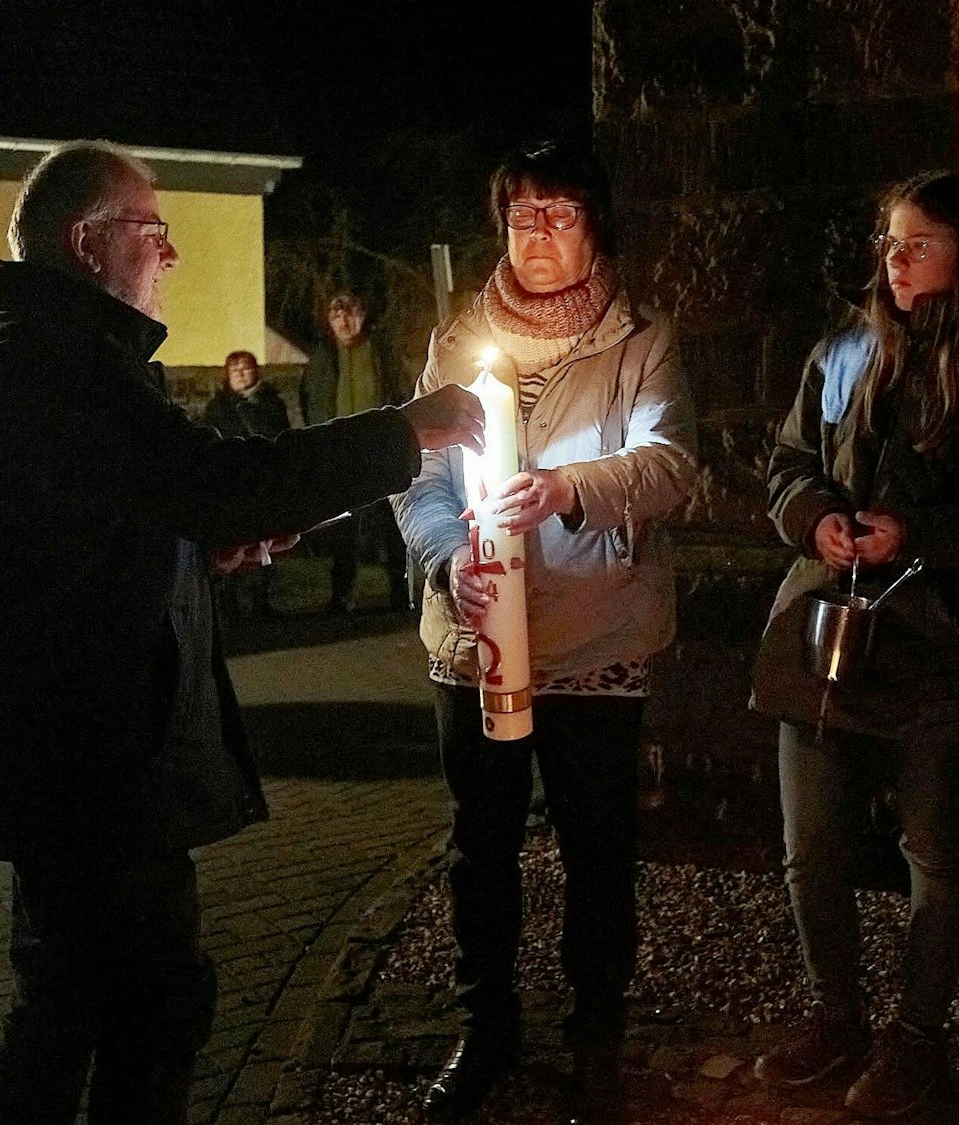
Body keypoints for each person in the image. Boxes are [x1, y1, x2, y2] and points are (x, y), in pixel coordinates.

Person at [0, 140, 483, 1125]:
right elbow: (220, 483)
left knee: (65, 1002)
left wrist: (197, 550)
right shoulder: (59, 367)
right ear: (87, 241)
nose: (172, 255)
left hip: (63, 764)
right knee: (148, 1007)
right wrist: (410, 431)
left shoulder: (43, 354)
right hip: (91, 771)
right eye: (154, 231)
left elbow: (111, 522)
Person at [748, 171, 959, 1118]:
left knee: (932, 846)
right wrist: (815, 521)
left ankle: (918, 1036)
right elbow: (788, 464)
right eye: (888, 242)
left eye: (917, 243)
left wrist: (916, 534)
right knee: (811, 848)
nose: (894, 260)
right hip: (829, 635)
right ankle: (837, 1013)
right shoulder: (846, 350)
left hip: (939, 643)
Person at [394, 139, 699, 1125]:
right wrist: (449, 557)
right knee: (478, 846)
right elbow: (418, 481)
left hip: (592, 636)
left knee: (595, 850)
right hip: (474, 641)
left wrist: (568, 487)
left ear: (594, 223)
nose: (536, 235)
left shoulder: (638, 341)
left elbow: (668, 464)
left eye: (557, 214)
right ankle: (485, 1030)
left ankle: (595, 1039)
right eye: (521, 215)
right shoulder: (456, 341)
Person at [301, 291, 411, 612]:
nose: (345, 322)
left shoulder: (381, 353)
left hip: (379, 450)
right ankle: (341, 595)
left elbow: (402, 392)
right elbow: (310, 399)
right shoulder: (323, 357)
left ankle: (399, 593)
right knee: (342, 528)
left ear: (362, 316)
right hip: (339, 453)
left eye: (350, 314)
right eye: (337, 316)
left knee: (390, 524)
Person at [202, 349, 291, 628]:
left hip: (264, 482)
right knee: (233, 544)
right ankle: (230, 606)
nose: (241, 374)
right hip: (232, 483)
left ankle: (262, 602)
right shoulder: (218, 408)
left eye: (246, 368)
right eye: (234, 370)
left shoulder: (271, 403)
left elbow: (282, 437)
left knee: (265, 544)